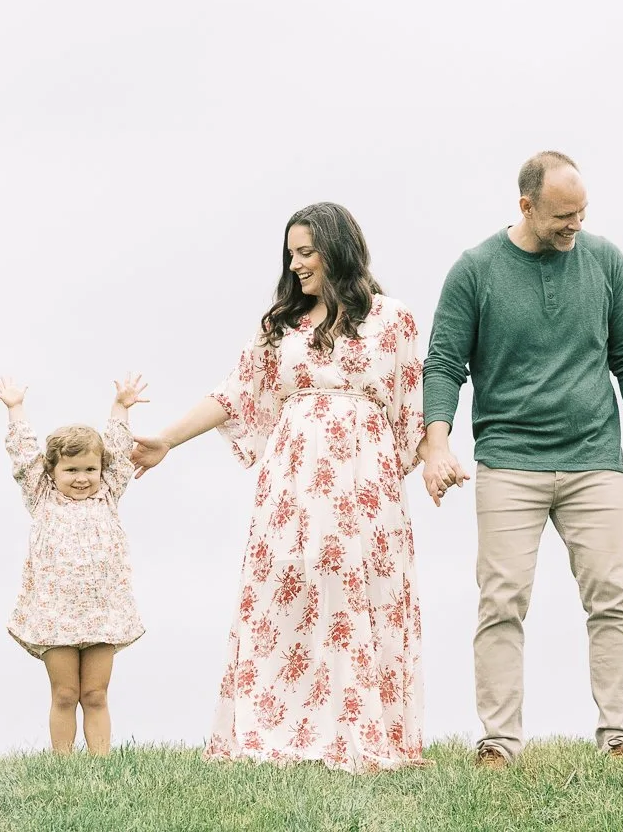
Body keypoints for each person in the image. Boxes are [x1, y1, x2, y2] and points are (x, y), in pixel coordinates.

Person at [129, 202, 426, 772]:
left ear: (338, 250)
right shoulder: (281, 328)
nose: (296, 266)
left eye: (307, 252)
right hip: (292, 483)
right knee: (287, 592)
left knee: (355, 592)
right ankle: (281, 728)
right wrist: (167, 438)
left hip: (365, 481)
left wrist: (418, 461)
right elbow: (233, 393)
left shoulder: (394, 319)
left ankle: (360, 732)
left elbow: (411, 402)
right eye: (291, 255)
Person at [419, 150, 623, 766]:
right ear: (526, 206)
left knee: (611, 595)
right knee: (501, 602)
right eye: (562, 216)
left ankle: (620, 735)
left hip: (593, 459)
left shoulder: (605, 261)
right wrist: (438, 442)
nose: (574, 226)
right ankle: (500, 741)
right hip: (509, 461)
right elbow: (444, 363)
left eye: (581, 213)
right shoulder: (475, 271)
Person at [0, 372, 149, 755]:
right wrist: (15, 408)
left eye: (89, 470)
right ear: (52, 472)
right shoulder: (43, 496)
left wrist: (121, 407)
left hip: (102, 612)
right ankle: (63, 765)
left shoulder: (107, 494)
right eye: (71, 470)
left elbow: (117, 449)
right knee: (65, 693)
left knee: (95, 694)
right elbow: (23, 455)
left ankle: (102, 766)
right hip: (55, 613)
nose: (82, 479)